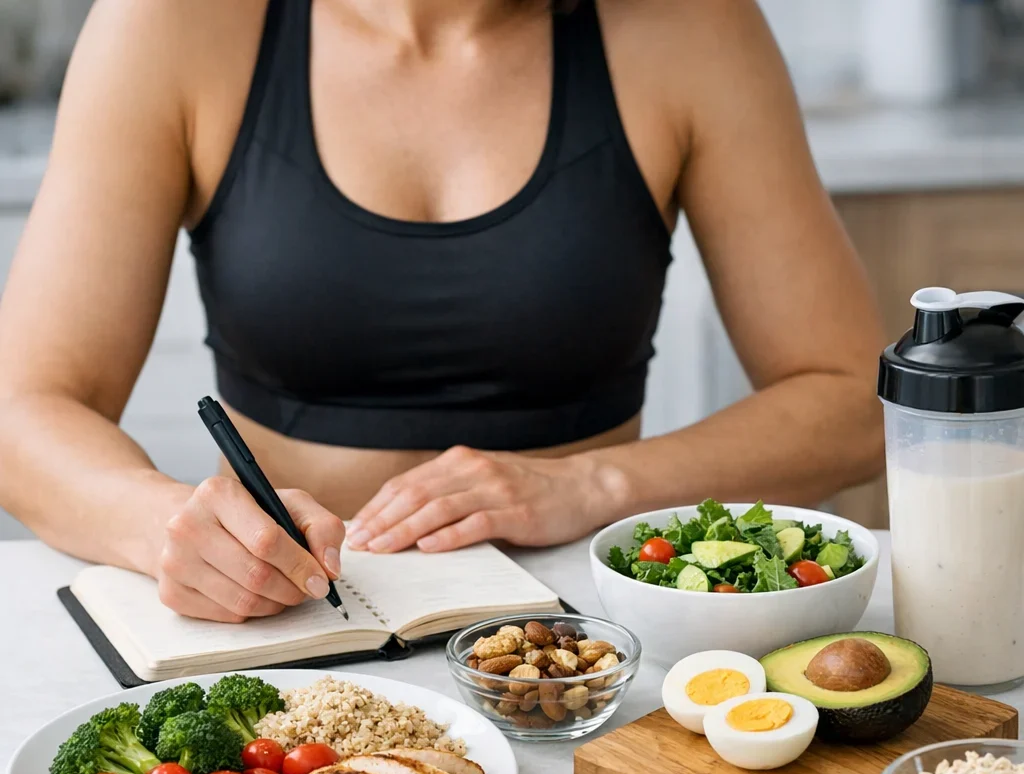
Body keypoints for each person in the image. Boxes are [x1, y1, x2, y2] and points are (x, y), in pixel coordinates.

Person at [0, 0, 885, 624]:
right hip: (289, 636)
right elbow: (24, 409)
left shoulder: (692, 25)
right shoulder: (172, 23)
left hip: (588, 643)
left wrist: (595, 486)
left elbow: (855, 402)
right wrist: (165, 527)